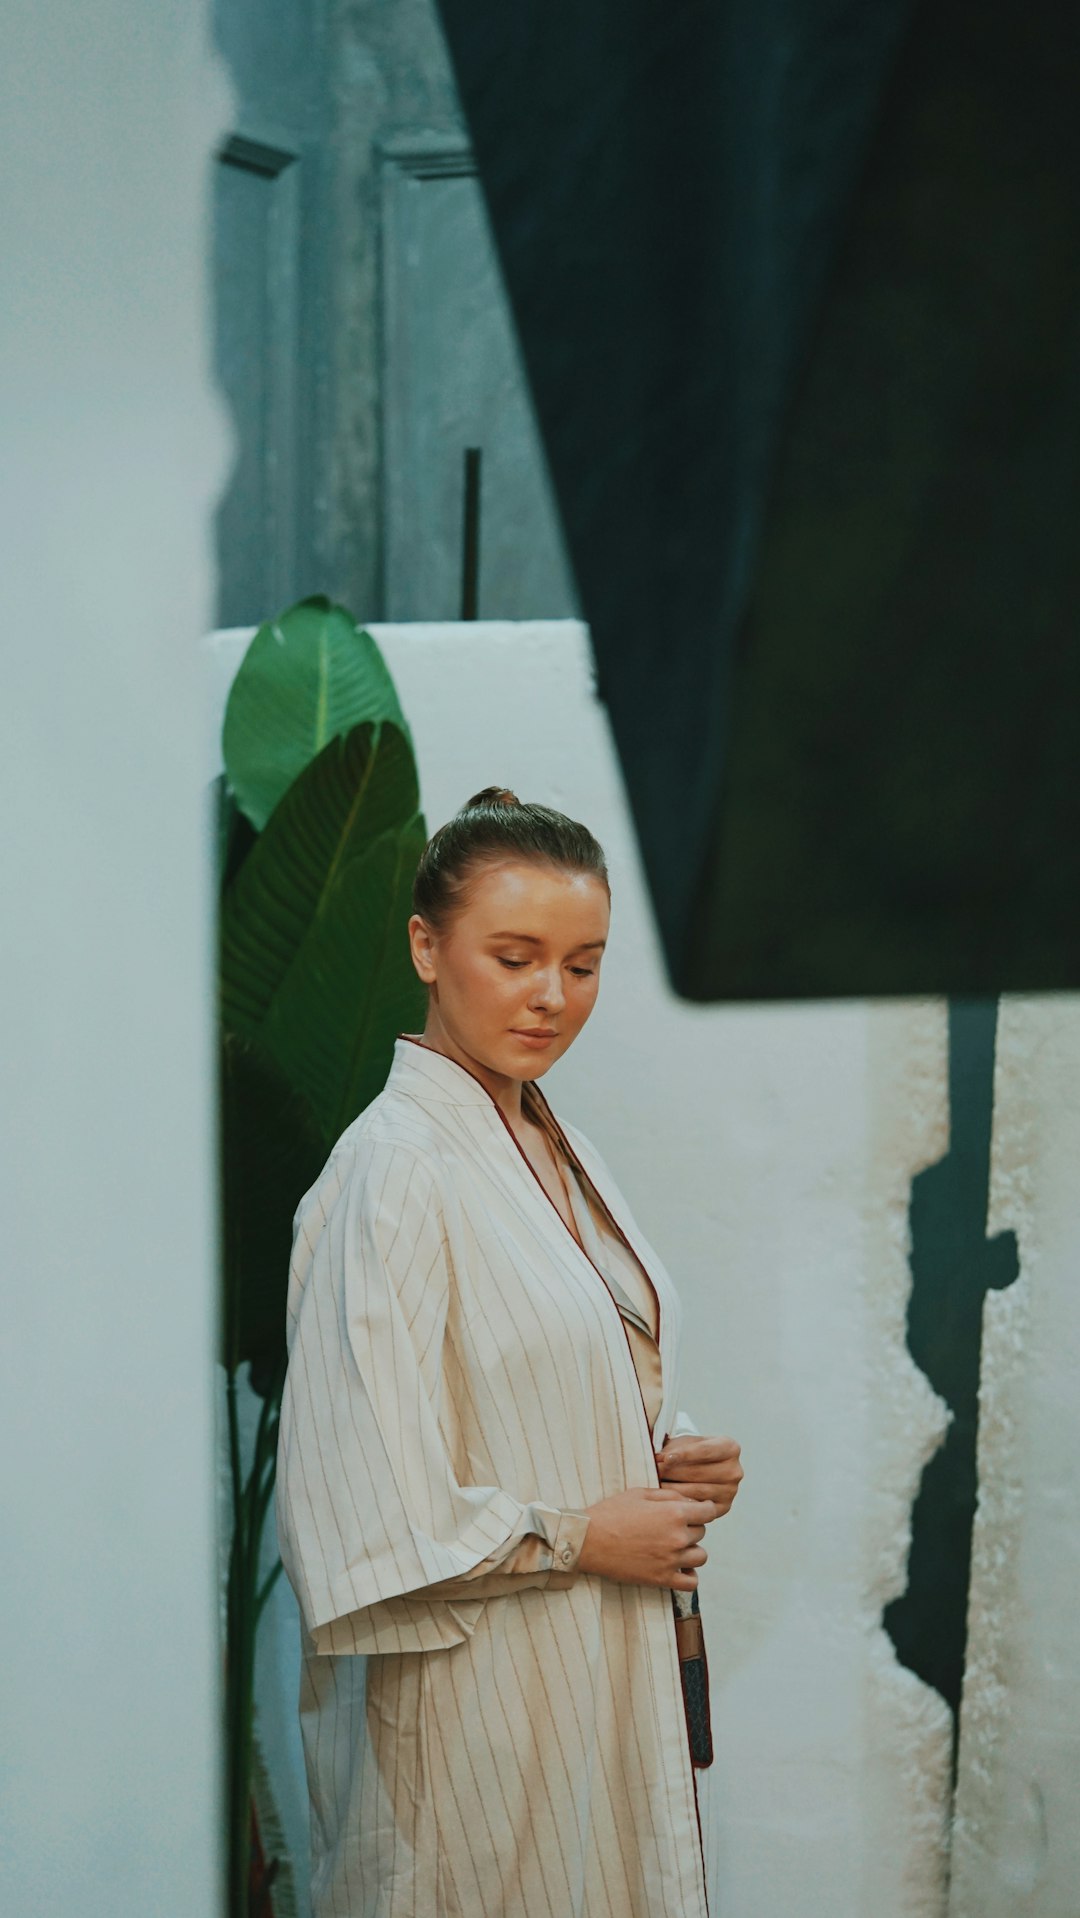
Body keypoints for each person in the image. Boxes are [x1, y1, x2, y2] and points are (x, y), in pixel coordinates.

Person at [276, 786, 744, 1918]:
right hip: (478, 1703)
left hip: (595, 1677)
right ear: (427, 947)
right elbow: (367, 1508)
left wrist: (673, 1454)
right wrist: (588, 1532)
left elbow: (540, 1370)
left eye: (583, 964)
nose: (551, 996)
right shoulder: (392, 1172)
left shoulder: (549, 1135)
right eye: (516, 954)